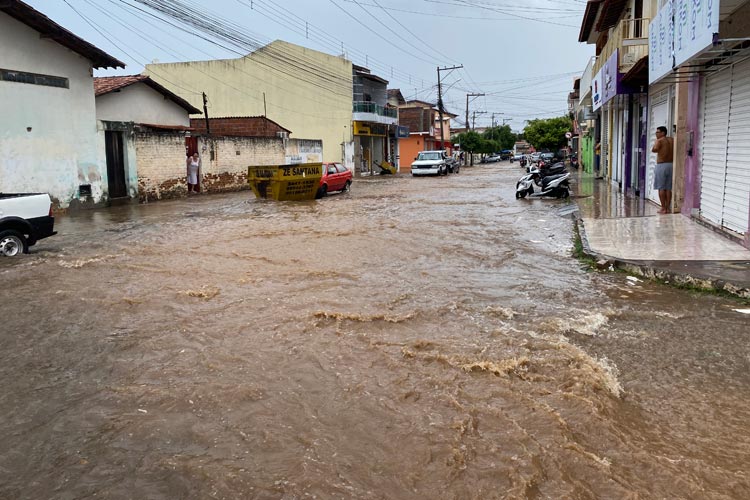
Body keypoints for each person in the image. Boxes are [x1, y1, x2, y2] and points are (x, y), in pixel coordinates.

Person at [651, 126, 674, 214]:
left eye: (657, 132)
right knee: (668, 188)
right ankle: (668, 208)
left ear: (663, 133)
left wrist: (655, 145)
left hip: (662, 165)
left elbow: (654, 149)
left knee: (661, 187)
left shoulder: (659, 141)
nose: (656, 134)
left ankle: (663, 208)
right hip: (671, 165)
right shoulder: (672, 140)